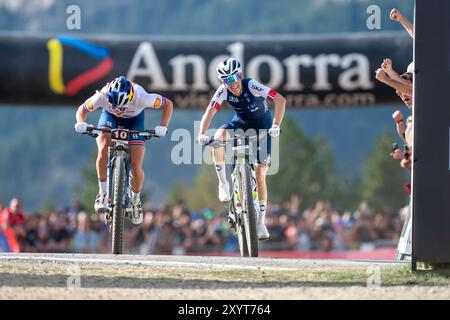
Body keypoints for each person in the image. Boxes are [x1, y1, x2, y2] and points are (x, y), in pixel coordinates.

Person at [197, 58, 286, 240]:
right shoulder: (223, 91)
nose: (232, 84)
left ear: (240, 75)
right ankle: (223, 183)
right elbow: (210, 111)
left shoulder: (251, 85)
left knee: (261, 175)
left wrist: (276, 125)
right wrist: (202, 133)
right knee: (219, 136)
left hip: (263, 127)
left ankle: (260, 222)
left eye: (234, 78)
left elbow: (279, 99)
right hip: (241, 124)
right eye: (226, 81)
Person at [74, 76, 173, 225]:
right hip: (109, 118)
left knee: (136, 164)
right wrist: (81, 123)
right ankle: (102, 193)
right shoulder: (102, 95)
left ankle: (135, 200)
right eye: (115, 106)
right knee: (103, 146)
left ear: (131, 98)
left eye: (123, 107)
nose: (119, 111)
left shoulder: (142, 97)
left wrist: (163, 125)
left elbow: (168, 104)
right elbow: (81, 110)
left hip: (135, 121)